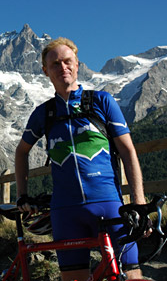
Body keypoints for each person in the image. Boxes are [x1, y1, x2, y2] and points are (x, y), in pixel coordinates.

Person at [15, 37, 149, 281]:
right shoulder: (44, 113)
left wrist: (139, 203)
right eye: (55, 64)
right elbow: (21, 151)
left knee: (132, 276)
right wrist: (22, 195)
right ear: (46, 71)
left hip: (110, 206)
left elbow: (129, 151)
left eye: (68, 62)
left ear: (78, 65)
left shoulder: (102, 101)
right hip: (66, 212)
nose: (62, 67)